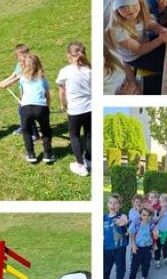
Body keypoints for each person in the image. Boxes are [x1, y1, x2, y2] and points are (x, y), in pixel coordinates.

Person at [105, 0, 167, 94]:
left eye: (132, 4)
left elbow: (151, 25)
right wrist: (159, 40)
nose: (129, 9)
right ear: (116, 10)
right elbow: (138, 50)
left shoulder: (140, 15)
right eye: (122, 7)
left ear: (140, 3)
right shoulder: (117, 30)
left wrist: (161, 30)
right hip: (137, 57)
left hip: (146, 42)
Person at [56, 41, 92, 177]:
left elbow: (62, 92)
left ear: (68, 55)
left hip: (75, 110)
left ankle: (80, 165)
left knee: (75, 136)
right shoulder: (90, 70)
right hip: (90, 108)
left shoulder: (65, 71)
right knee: (89, 134)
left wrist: (63, 105)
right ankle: (89, 160)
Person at [14, 53, 53, 164]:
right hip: (41, 108)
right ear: (38, 64)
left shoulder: (22, 79)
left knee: (26, 131)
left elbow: (22, 94)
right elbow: (47, 95)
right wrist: (47, 107)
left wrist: (22, 102)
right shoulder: (43, 78)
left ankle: (31, 154)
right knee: (46, 131)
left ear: (24, 65)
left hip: (26, 108)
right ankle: (48, 155)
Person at [0, 44, 39, 139]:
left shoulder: (28, 64)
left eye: (18, 55)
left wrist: (6, 84)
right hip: (22, 90)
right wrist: (1, 82)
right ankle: (24, 127)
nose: (16, 57)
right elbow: (13, 76)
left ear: (24, 54)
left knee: (26, 112)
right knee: (21, 111)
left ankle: (34, 134)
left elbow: (19, 77)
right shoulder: (19, 64)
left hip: (29, 91)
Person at [104, 194, 129, 279]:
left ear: (120, 205)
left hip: (120, 248)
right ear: (107, 205)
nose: (113, 205)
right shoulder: (104, 218)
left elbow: (125, 220)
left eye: (116, 203)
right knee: (106, 267)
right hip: (106, 248)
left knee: (120, 267)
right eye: (110, 203)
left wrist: (123, 222)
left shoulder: (121, 216)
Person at [128, 208, 158, 279]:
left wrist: (156, 233)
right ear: (140, 215)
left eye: (148, 215)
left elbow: (155, 233)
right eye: (144, 215)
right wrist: (133, 245)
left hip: (147, 248)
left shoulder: (151, 224)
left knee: (146, 265)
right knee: (134, 265)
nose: (146, 217)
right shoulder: (137, 224)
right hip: (138, 248)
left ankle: (144, 278)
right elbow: (131, 234)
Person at [154, 193, 167, 268]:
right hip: (159, 232)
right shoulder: (157, 211)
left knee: (166, 246)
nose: (164, 204)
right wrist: (160, 216)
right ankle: (157, 260)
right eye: (162, 202)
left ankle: (166, 257)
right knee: (158, 247)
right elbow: (154, 221)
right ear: (160, 203)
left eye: (166, 202)